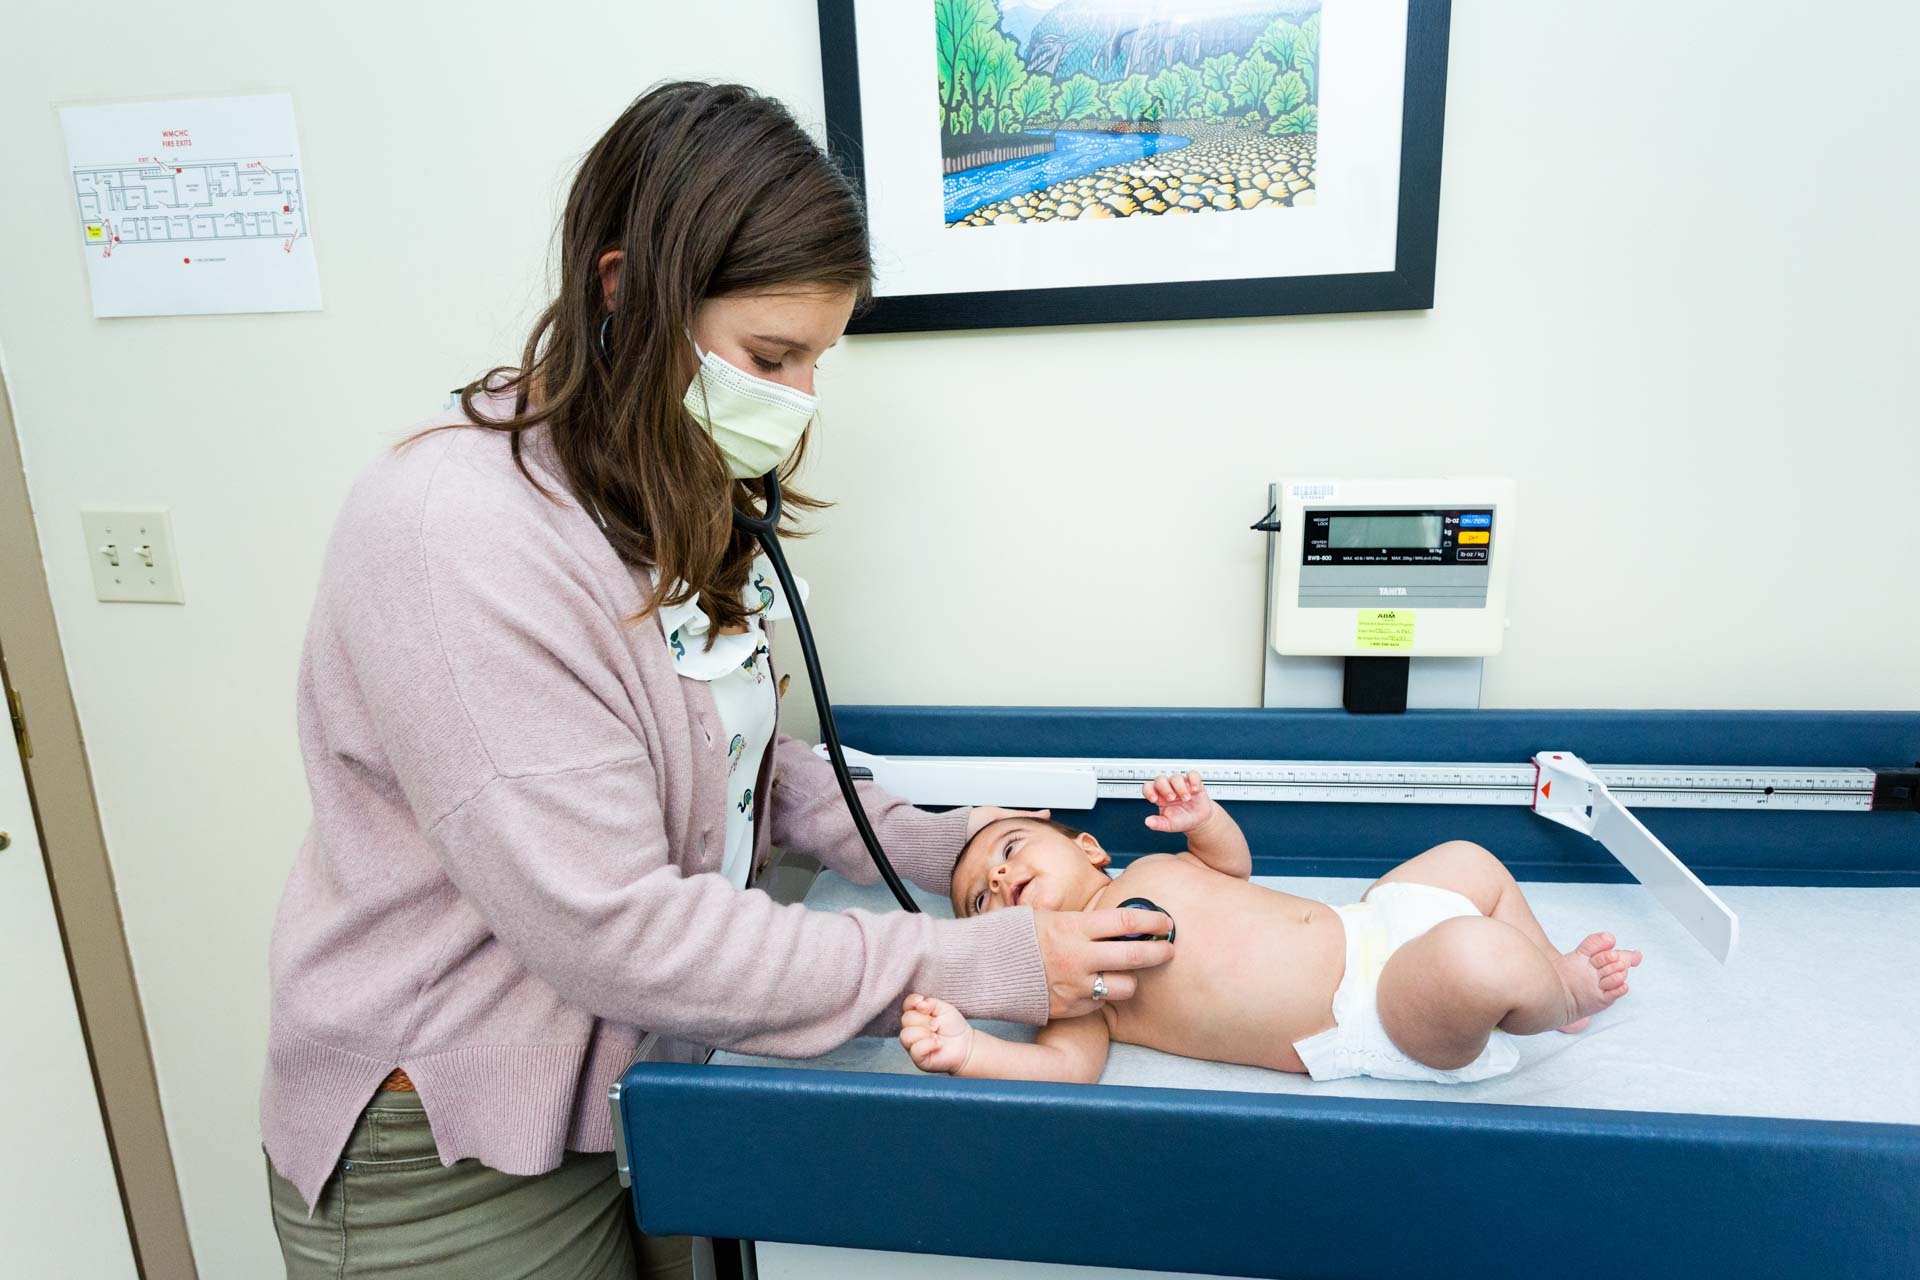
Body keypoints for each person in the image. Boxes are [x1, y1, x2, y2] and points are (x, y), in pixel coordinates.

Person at [260, 81, 1172, 1278]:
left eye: (816, 362)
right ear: (624, 288)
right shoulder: (456, 533)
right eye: (770, 355)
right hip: (449, 1140)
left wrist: (940, 846)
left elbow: (723, 759)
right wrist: (984, 958)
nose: (795, 408)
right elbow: (615, 924)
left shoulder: (636, 491)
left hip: (637, 1087)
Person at [901, 772, 1643, 1085]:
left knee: (1467, 859)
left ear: (1087, 847)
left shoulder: (1155, 867)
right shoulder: (1078, 981)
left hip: (1369, 923)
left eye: (1007, 851)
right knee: (1475, 957)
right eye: (979, 905)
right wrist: (975, 1051)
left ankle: (1543, 957)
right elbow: (1068, 1068)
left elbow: (1234, 869)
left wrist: (1206, 822)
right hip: (1375, 1012)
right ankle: (1560, 995)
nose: (997, 883)